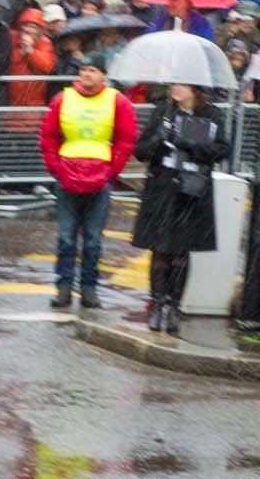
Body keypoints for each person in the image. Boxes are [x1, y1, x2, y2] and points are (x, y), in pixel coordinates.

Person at [39, 53, 136, 311]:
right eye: (83, 70)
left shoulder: (118, 102)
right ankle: (64, 287)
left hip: (99, 179)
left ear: (103, 75)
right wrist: (56, 168)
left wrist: (111, 172)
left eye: (92, 70)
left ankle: (89, 288)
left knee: (93, 239)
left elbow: (126, 140)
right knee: (66, 237)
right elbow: (48, 136)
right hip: (68, 177)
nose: (87, 74)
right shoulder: (63, 99)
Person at [132, 82, 228, 338]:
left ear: (195, 90)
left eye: (182, 85)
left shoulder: (212, 114)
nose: (175, 89)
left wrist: (189, 144)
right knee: (160, 250)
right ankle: (157, 305)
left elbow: (221, 150)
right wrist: (158, 140)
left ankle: (173, 308)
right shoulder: (163, 110)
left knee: (181, 254)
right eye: (174, 84)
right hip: (162, 188)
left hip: (191, 191)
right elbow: (140, 151)